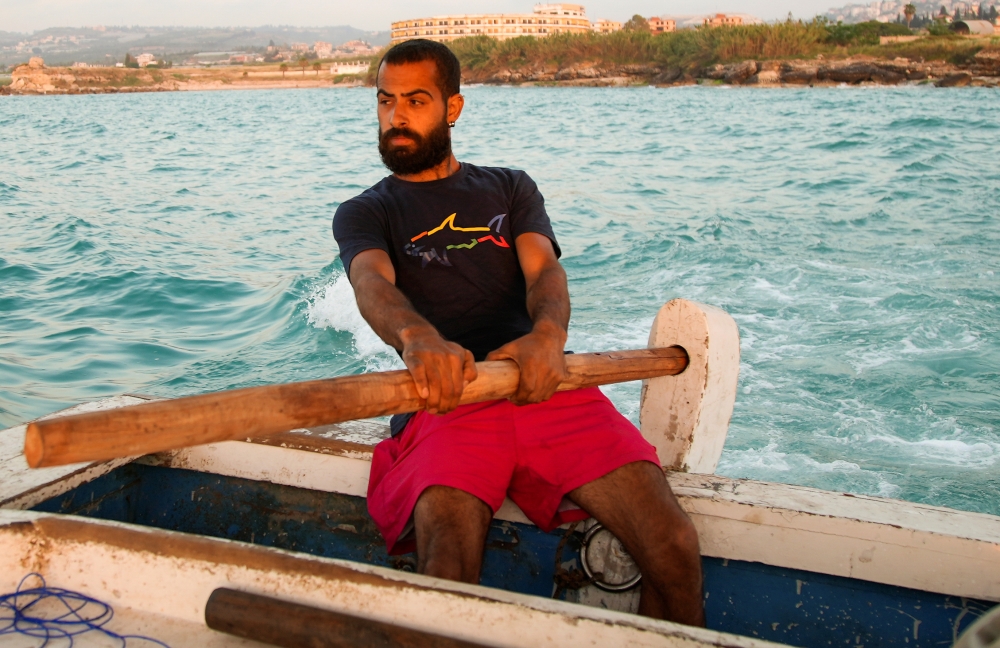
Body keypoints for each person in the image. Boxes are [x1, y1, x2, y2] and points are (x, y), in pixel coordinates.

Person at [332, 39, 704, 626]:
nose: (396, 117)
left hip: (541, 384)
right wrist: (417, 338)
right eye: (386, 101)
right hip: (448, 400)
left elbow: (545, 271)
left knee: (674, 545)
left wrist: (548, 335)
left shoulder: (510, 187)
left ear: (453, 108)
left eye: (416, 100)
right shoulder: (365, 211)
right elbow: (371, 285)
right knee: (447, 565)